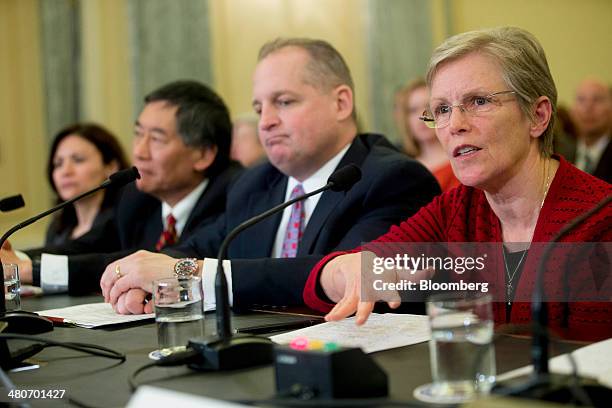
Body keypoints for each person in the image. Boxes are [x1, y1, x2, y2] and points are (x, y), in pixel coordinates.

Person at [303, 27, 612, 341]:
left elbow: (592, 360)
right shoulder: (456, 208)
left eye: (478, 101)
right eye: (442, 110)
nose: (454, 125)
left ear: (537, 116)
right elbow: (347, 271)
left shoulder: (600, 218)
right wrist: (347, 269)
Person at [100, 38, 441, 315]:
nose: (265, 122)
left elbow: (337, 276)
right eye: (260, 108)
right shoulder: (254, 183)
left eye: (284, 102)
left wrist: (186, 273)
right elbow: (199, 248)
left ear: (341, 103)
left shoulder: (392, 179)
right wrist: (145, 279)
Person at [2, 80, 241, 294]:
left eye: (156, 139)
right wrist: (17, 259)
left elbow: (151, 263)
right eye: (138, 134)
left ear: (203, 154)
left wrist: (29, 271)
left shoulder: (235, 195)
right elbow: (87, 246)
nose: (139, 151)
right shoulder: (137, 198)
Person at [34, 123, 128, 255]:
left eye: (78, 160)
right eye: (58, 164)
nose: (65, 171)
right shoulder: (57, 228)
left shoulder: (122, 221)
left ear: (111, 167)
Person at [399, 78, 460, 191]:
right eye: (413, 110)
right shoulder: (402, 169)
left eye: (428, 107)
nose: (422, 116)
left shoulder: (460, 159)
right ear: (406, 119)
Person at [571, 78, 612, 183]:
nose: (588, 107)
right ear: (573, 111)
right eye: (581, 100)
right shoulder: (559, 155)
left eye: (597, 100)